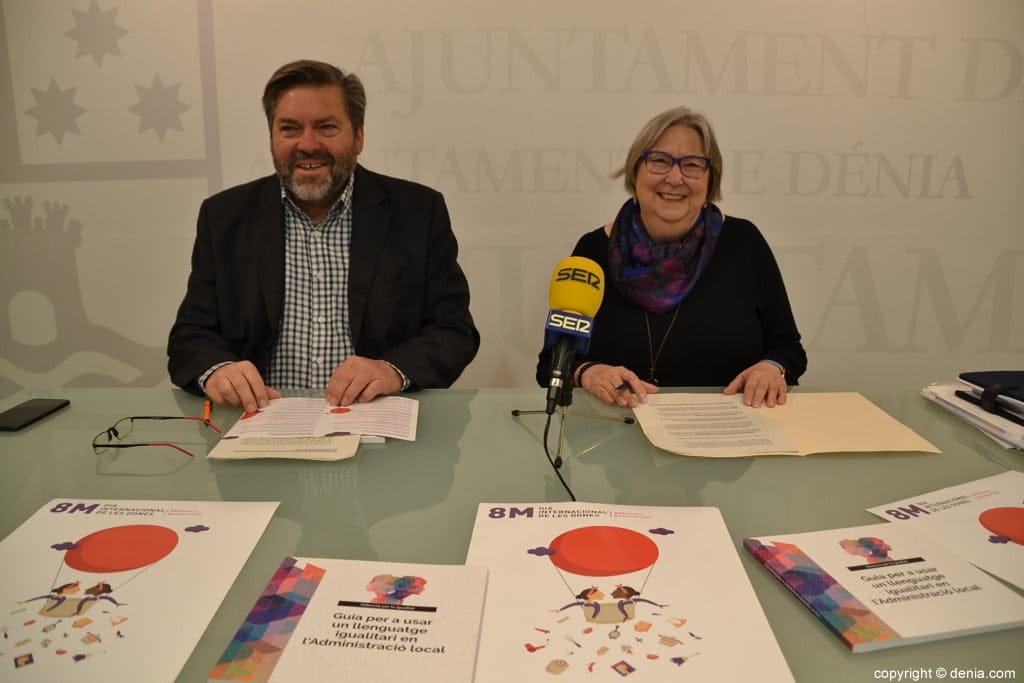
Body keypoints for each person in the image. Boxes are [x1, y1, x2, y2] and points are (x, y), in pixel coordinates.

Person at [168, 60, 479, 410]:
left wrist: (392, 370)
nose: (308, 144)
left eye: (326, 127)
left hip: (375, 425)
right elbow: (191, 336)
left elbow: (453, 330)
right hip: (259, 424)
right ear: (271, 138)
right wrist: (218, 370)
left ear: (358, 136)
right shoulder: (224, 217)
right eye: (289, 129)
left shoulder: (418, 212)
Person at [536, 107, 806, 408]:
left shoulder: (744, 242)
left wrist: (771, 368)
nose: (675, 178)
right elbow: (550, 365)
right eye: (659, 161)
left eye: (692, 165)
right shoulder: (593, 251)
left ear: (710, 181)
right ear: (635, 171)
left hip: (728, 431)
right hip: (615, 428)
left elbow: (788, 349)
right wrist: (587, 373)